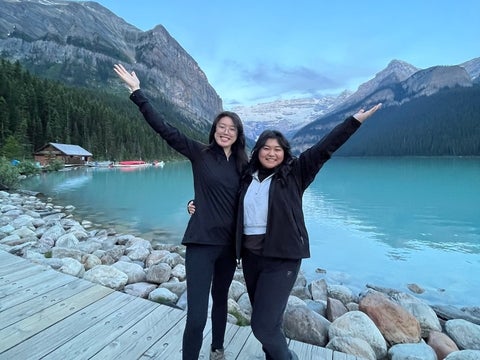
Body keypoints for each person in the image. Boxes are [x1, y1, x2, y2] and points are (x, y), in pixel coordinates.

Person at [188, 103, 381, 360]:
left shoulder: (296, 174)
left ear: (284, 153)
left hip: (282, 258)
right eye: (266, 148)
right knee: (269, 321)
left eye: (277, 149)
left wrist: (354, 121)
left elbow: (324, 148)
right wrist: (194, 203)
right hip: (251, 257)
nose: (271, 153)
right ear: (257, 152)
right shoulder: (247, 175)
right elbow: (221, 197)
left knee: (262, 327)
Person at [113, 63, 249, 360]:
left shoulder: (244, 166)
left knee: (221, 300)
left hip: (229, 247)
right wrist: (137, 93)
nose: (225, 132)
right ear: (214, 131)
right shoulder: (199, 153)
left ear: (238, 135)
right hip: (201, 243)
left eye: (232, 129)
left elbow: (247, 198)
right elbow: (165, 129)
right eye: (221, 127)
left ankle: (217, 348)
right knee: (197, 314)